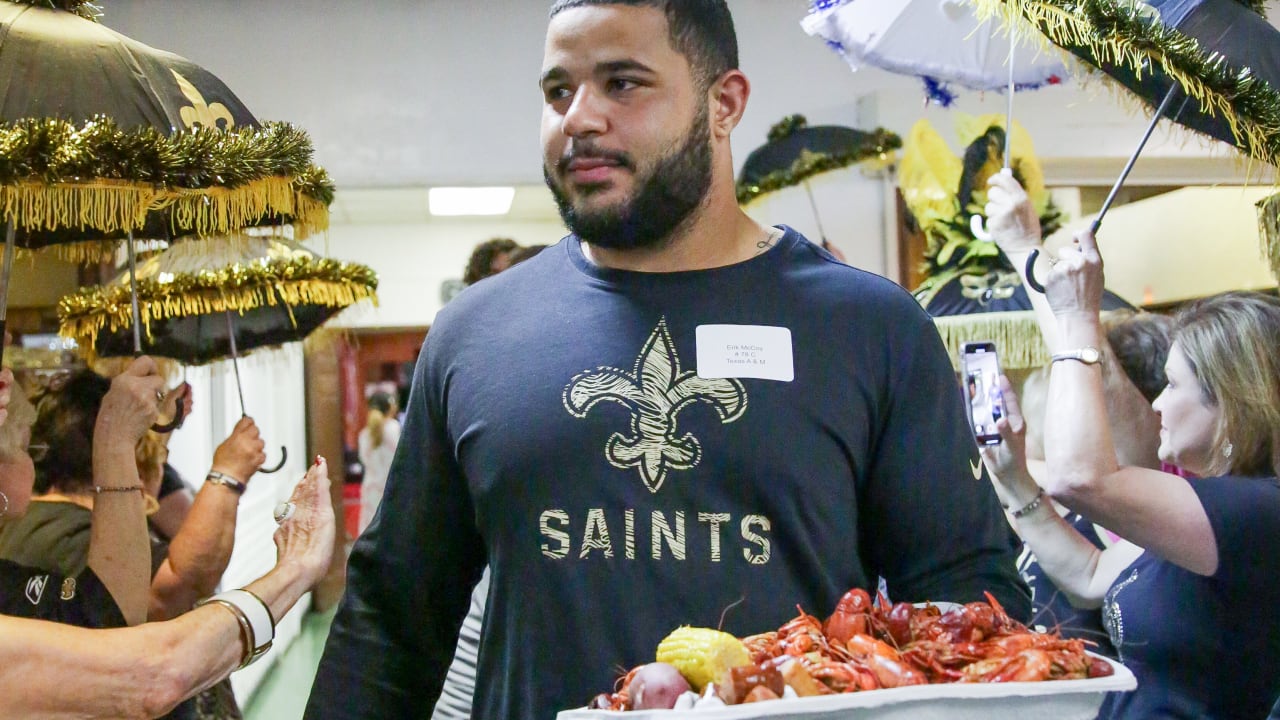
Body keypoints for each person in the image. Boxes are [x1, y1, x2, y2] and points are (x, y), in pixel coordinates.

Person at [305, 3, 1027, 718]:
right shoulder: (475, 335)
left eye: (623, 83)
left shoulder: (871, 330)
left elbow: (965, 600)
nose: (579, 118)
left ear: (724, 103)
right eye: (559, 91)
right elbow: (391, 627)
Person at [979, 225, 1280, 717]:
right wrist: (1013, 478)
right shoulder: (1214, 503)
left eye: (1171, 385)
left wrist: (1078, 317)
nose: (1156, 403)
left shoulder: (1258, 510)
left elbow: (1080, 478)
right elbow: (1090, 574)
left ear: (1230, 403)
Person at [357, 391, 400, 535]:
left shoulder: (364, 435)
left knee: (369, 530)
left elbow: (364, 460)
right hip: (392, 488)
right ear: (390, 407)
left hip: (371, 489)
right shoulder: (393, 428)